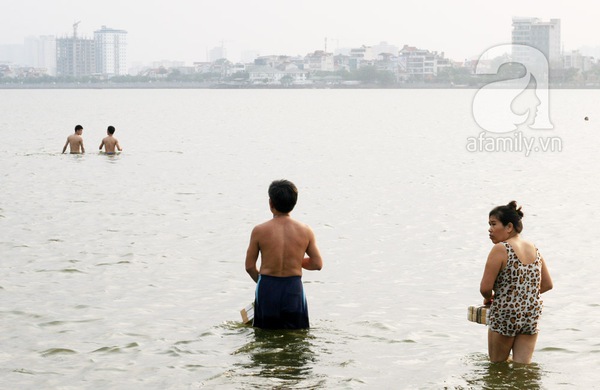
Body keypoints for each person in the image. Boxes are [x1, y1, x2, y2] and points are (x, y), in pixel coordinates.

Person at [480, 201, 553, 364]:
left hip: (505, 314)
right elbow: (547, 284)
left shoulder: (501, 248)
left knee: (497, 366)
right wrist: (523, 296)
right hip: (531, 313)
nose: (489, 229)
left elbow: (485, 288)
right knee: (522, 367)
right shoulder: (534, 248)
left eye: (493, 224)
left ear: (509, 227)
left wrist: (490, 298)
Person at [245, 179, 323, 329]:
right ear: (294, 203)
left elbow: (249, 266)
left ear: (270, 203)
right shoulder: (305, 230)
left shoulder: (259, 230)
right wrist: (294, 260)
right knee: (296, 336)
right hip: (293, 288)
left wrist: (262, 283)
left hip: (267, 286)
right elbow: (317, 264)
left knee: (264, 337)